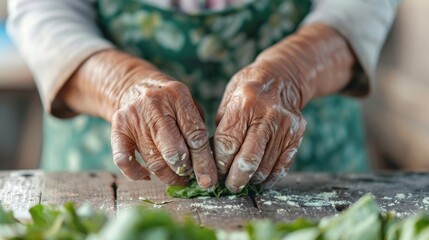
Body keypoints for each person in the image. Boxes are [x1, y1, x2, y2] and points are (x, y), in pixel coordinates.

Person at [7, 0, 399, 192]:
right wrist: (121, 84)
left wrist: (293, 73)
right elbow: (41, 13)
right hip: (106, 169)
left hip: (309, 167)